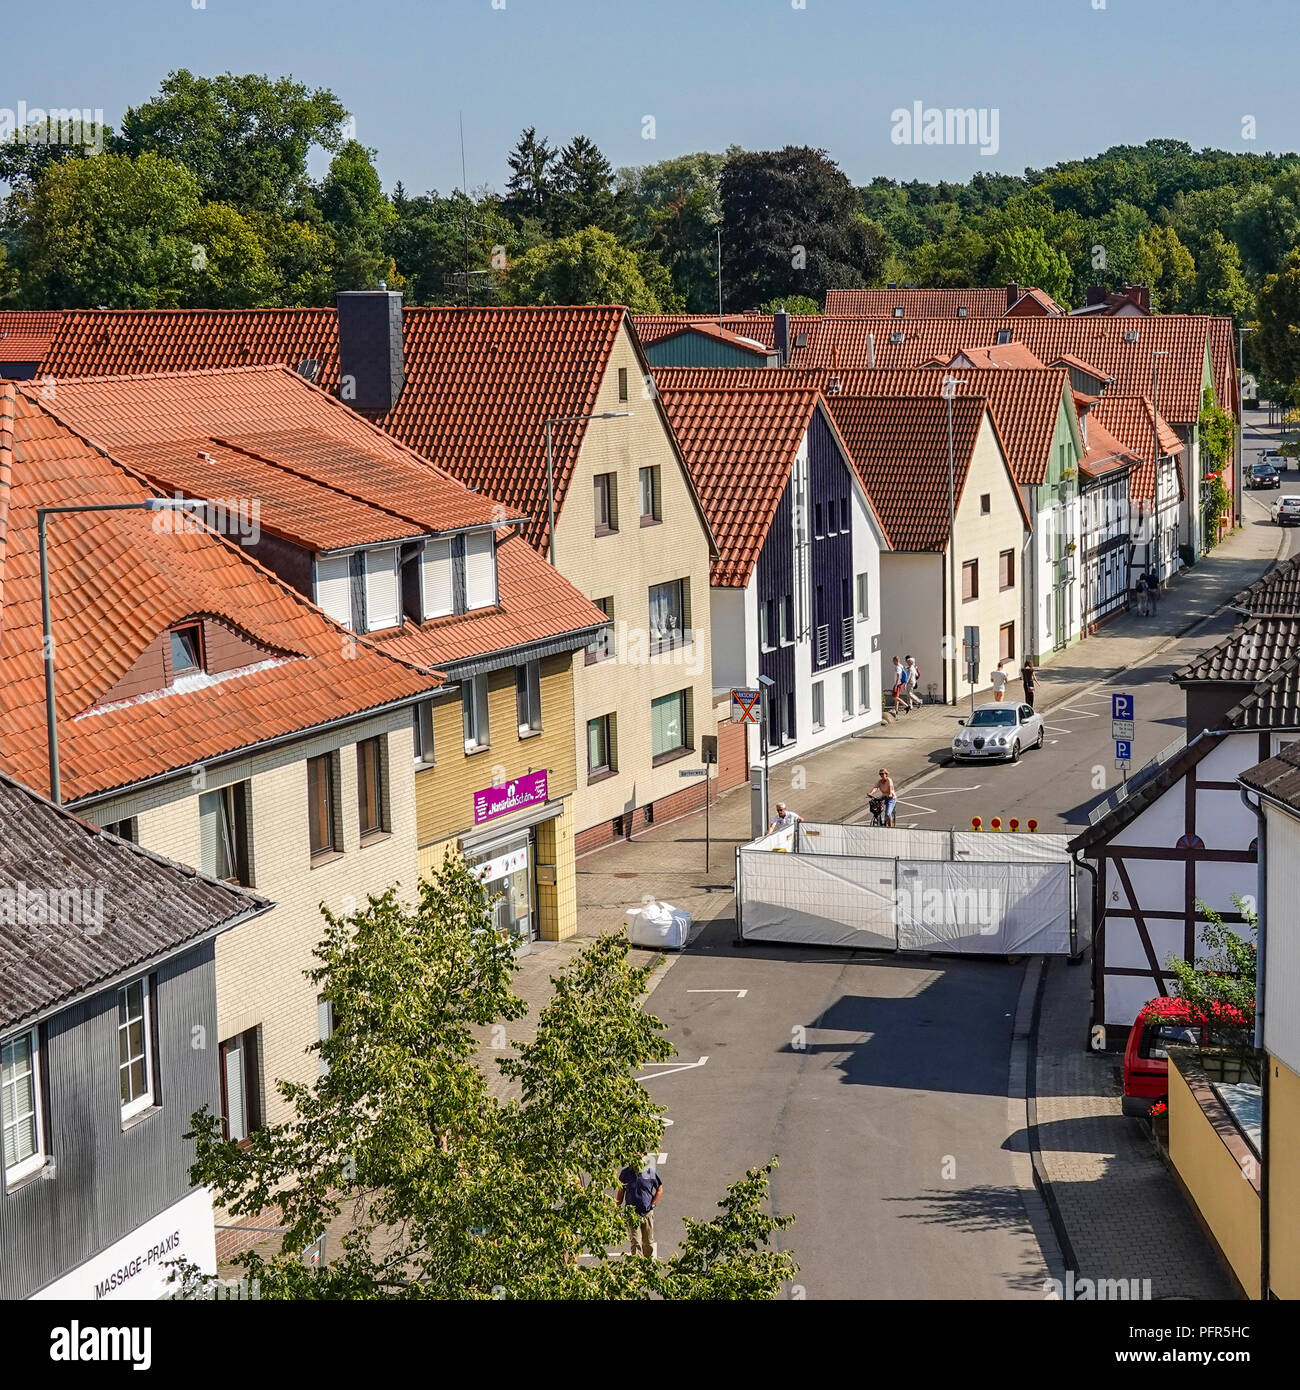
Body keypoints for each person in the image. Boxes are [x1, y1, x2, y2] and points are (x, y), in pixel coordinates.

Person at [616, 1159, 662, 1259]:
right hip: (632, 1214)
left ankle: (648, 1263)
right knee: (635, 1242)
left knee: (648, 1243)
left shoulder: (649, 1171)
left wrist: (653, 1204)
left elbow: (659, 1188)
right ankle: (638, 1268)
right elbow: (621, 1190)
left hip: (647, 1212)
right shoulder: (626, 1173)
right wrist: (617, 1207)